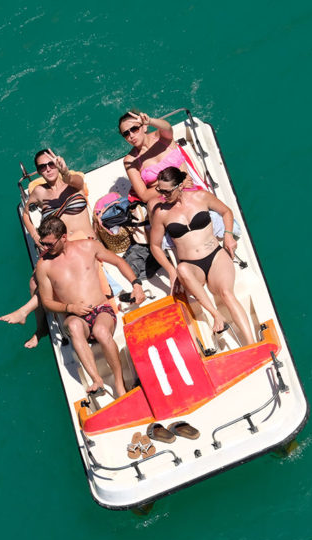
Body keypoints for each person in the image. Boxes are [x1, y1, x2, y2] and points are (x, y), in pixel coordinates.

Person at [34, 217, 145, 396]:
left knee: (102, 331)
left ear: (63, 237)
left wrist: (136, 284)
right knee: (73, 326)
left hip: (101, 309)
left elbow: (118, 261)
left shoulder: (88, 247)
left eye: (50, 244)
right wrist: (70, 308)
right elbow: (47, 301)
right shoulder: (44, 265)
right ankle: (97, 380)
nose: (45, 248)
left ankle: (119, 383)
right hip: (75, 315)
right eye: (43, 243)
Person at [148, 167, 255, 345]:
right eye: (160, 190)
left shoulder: (201, 197)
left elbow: (226, 211)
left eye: (166, 191)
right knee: (181, 268)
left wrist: (228, 235)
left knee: (226, 293)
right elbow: (155, 246)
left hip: (215, 256)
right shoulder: (161, 213)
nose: (163, 195)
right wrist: (171, 270)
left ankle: (252, 343)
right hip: (191, 266)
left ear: (179, 186)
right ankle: (216, 315)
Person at [0, 148, 95, 348]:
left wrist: (65, 171)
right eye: (42, 167)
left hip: (82, 241)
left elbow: (75, 181)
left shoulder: (73, 181)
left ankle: (24, 311)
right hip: (56, 245)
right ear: (39, 171)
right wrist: (34, 235)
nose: (48, 169)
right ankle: (41, 328)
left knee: (57, 275)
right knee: (34, 283)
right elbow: (26, 213)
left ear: (58, 163)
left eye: (51, 164)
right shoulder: (39, 192)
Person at [120, 111, 199, 204]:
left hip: (187, 189)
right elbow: (144, 196)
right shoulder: (130, 161)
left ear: (144, 127)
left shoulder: (162, 137)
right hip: (164, 200)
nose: (131, 136)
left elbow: (167, 127)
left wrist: (149, 121)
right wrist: (175, 185)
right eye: (126, 134)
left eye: (134, 129)